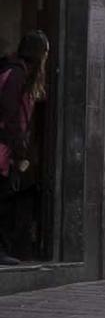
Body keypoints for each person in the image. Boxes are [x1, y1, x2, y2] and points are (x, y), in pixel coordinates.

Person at [0, 31, 48, 263]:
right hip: (4, 146)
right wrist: (19, 151)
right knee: (5, 197)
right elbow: (10, 115)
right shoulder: (17, 74)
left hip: (8, 146)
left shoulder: (20, 74)